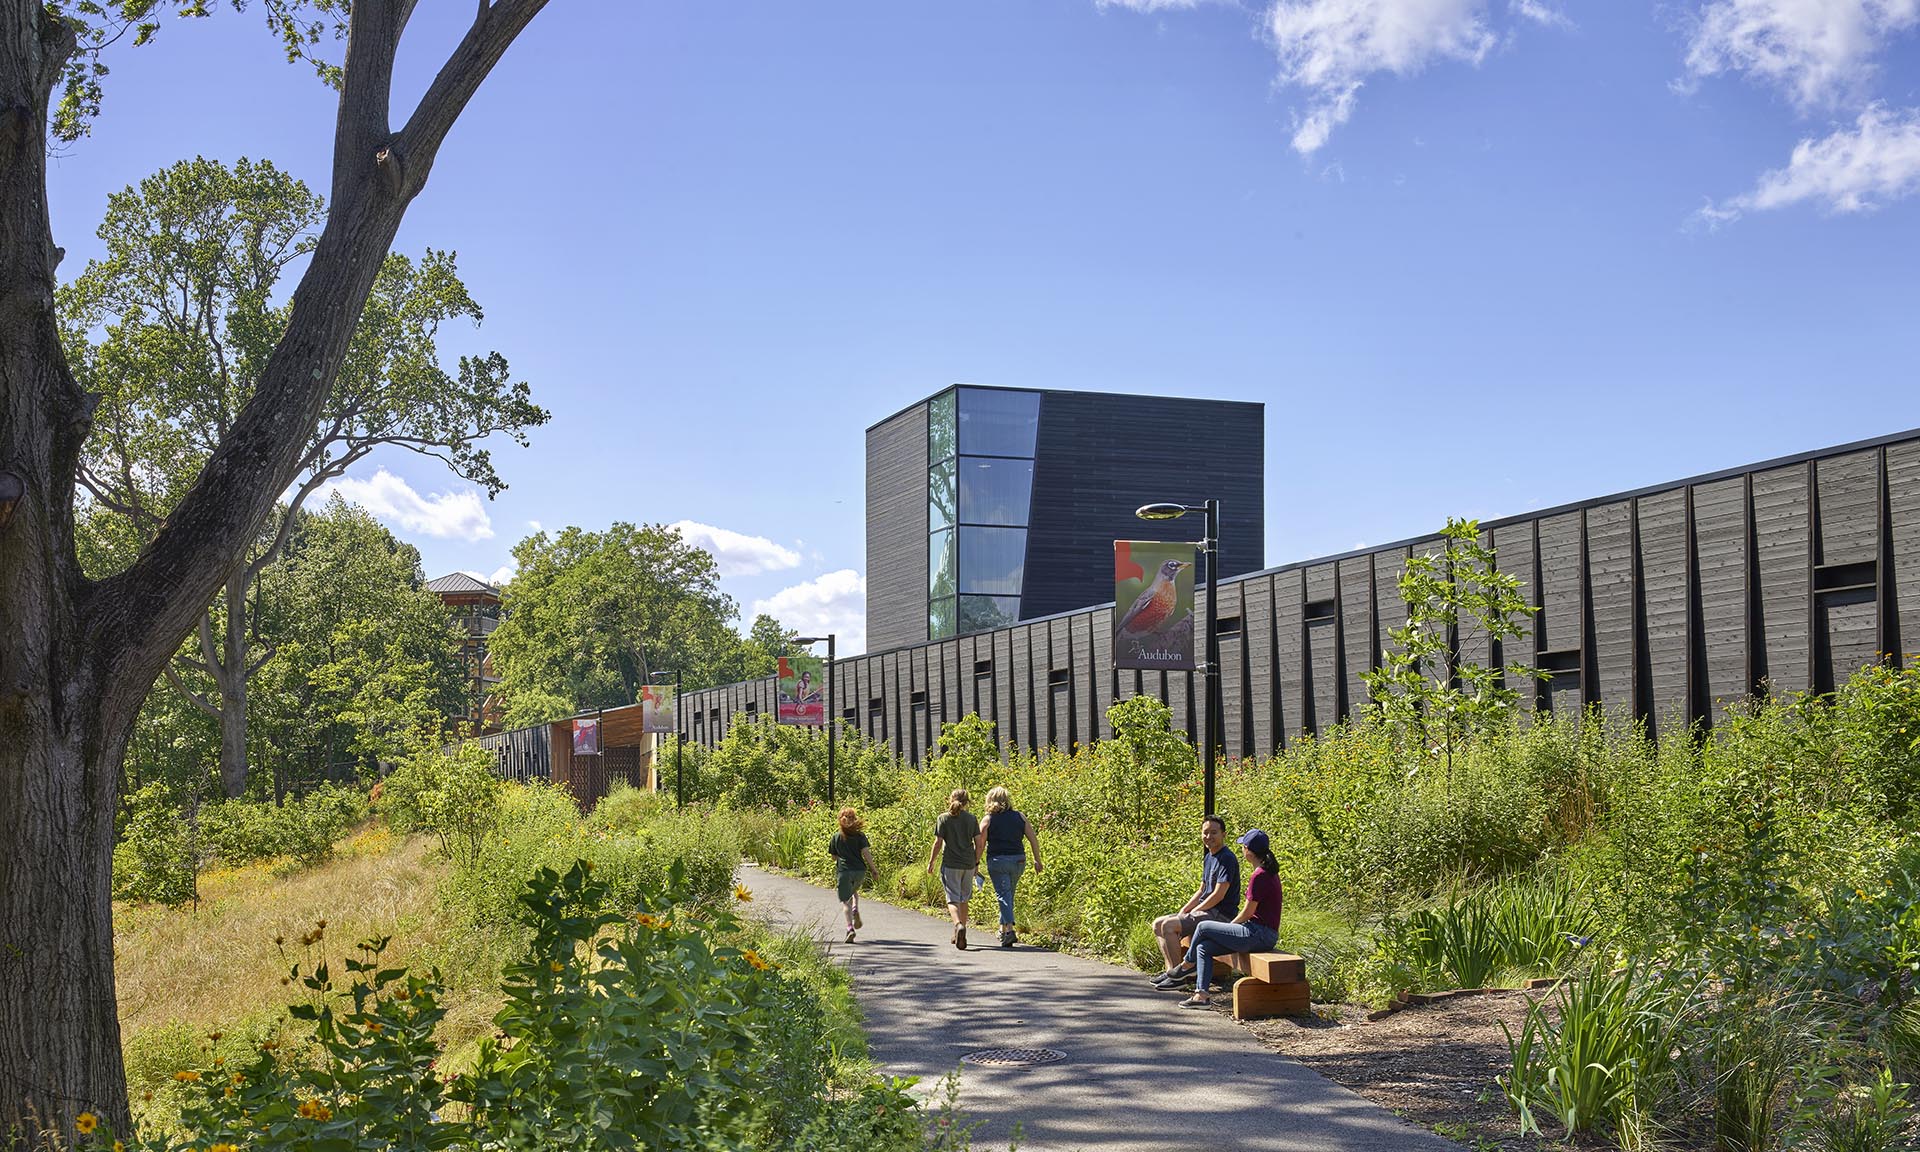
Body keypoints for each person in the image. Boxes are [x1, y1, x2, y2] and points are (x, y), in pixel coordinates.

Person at [1169, 829, 1284, 1008]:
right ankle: (1202, 995)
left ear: (1248, 850)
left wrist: (1230, 927)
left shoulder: (1260, 875)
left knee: (1204, 927)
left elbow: (1247, 913)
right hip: (1260, 933)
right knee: (1204, 947)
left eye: (1243, 846)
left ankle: (1186, 965)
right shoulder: (1266, 871)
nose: (1242, 850)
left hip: (1259, 934)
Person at [1148, 815, 1240, 986]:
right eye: (1205, 833)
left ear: (1224, 834)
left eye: (1214, 832)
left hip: (1221, 915)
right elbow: (1203, 889)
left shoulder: (1227, 858)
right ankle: (1171, 972)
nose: (1209, 837)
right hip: (1206, 910)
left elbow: (1219, 895)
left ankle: (1179, 976)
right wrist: (1186, 909)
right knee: (1158, 923)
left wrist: (1197, 910)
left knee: (1169, 926)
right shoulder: (1209, 857)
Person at [979, 785, 1043, 949]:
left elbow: (979, 844)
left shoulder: (988, 819)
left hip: (998, 861)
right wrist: (1037, 859)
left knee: (1003, 895)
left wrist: (975, 863)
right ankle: (1003, 929)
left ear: (990, 800)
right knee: (1008, 895)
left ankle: (1009, 930)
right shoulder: (1020, 817)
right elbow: (1033, 838)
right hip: (1018, 861)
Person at [925, 788, 984, 950]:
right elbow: (979, 844)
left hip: (951, 864)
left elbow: (938, 843)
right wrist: (976, 862)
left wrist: (931, 862)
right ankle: (959, 930)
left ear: (950, 799)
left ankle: (958, 925)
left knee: (952, 899)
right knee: (964, 898)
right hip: (968, 864)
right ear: (967, 802)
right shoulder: (972, 819)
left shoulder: (943, 818)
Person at [828, 807, 877, 943]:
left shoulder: (836, 837)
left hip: (844, 871)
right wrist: (874, 869)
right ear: (854, 820)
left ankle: (850, 928)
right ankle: (855, 908)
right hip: (859, 871)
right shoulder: (860, 836)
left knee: (845, 902)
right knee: (854, 891)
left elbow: (833, 857)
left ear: (840, 820)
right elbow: (866, 853)